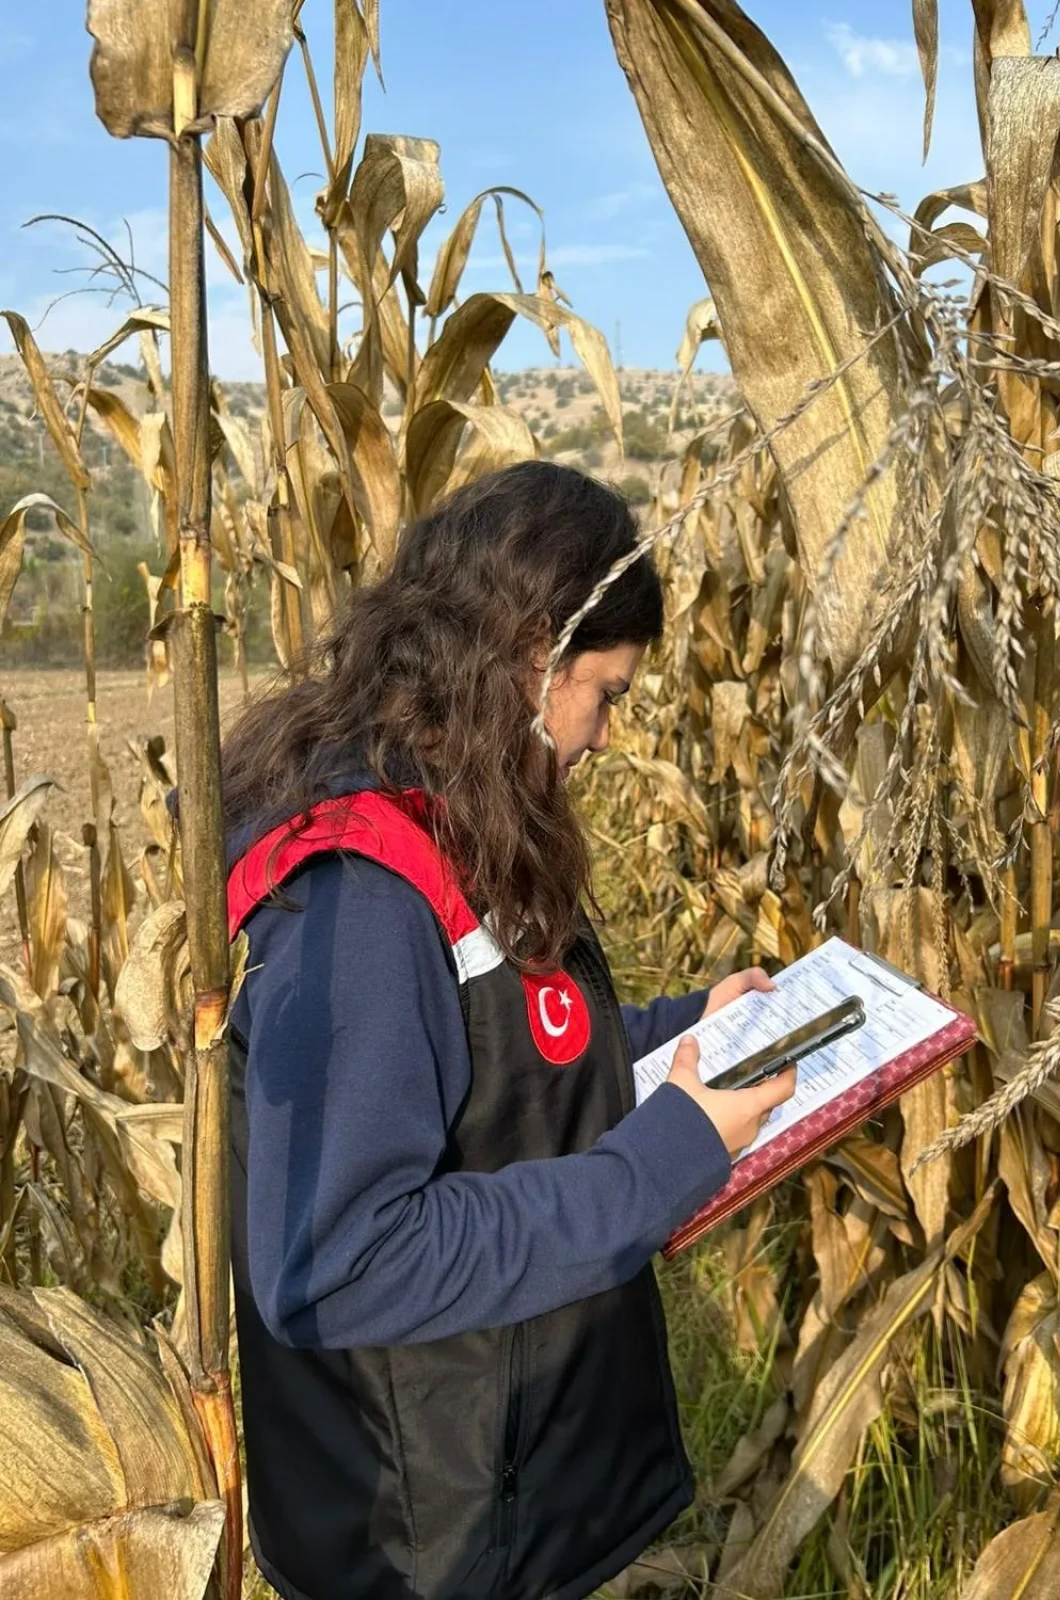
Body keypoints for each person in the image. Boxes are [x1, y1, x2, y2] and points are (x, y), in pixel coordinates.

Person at [218, 460, 797, 1600]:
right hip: (426, 1540)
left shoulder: (449, 816)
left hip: (503, 1496)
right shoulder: (362, 894)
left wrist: (688, 1031)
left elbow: (497, 1055)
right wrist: (661, 1163)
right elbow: (343, 1259)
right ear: (534, 652)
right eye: (607, 694)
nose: (606, 736)